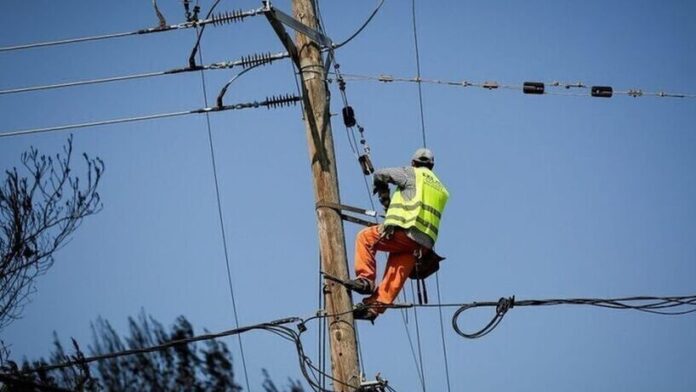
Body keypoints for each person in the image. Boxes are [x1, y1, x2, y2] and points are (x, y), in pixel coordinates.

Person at [349, 148, 449, 321]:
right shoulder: (441, 188)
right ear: (431, 166)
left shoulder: (412, 173)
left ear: (413, 163)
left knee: (365, 237)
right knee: (396, 272)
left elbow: (381, 174)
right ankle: (373, 308)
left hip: (407, 233)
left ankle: (365, 280)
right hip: (423, 244)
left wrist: (383, 193)